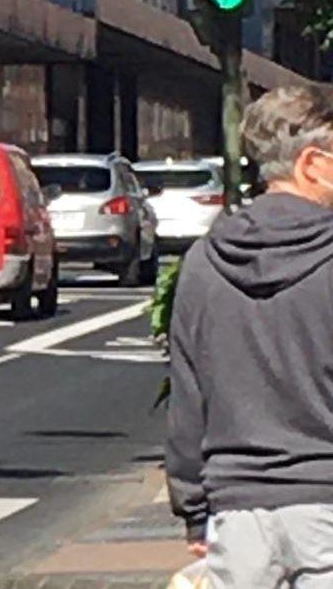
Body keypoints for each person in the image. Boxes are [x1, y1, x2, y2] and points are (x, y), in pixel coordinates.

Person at [167, 85, 333, 587]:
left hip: (236, 511)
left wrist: (194, 506)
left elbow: (188, 395)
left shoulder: (202, 262)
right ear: (313, 163)